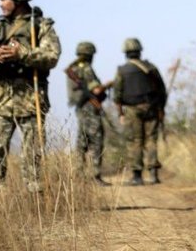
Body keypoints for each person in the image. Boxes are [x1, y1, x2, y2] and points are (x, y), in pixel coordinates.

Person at [0, 0, 61, 197]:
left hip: (31, 98)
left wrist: (21, 53)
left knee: (33, 151)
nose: (0, 3)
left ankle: (36, 200)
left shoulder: (40, 25)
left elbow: (52, 56)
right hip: (0, 98)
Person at [112, 37, 167, 186]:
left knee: (135, 141)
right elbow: (162, 91)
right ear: (140, 51)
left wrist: (120, 114)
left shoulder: (122, 70)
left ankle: (137, 176)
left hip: (132, 110)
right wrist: (161, 109)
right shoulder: (151, 68)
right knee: (151, 140)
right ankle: (153, 174)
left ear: (125, 53)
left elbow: (117, 95)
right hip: (151, 108)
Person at [65, 41, 111, 186]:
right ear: (90, 54)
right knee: (96, 140)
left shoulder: (73, 68)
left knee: (82, 141)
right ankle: (94, 176)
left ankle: (79, 177)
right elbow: (96, 90)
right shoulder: (85, 68)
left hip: (80, 108)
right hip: (89, 107)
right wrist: (109, 84)